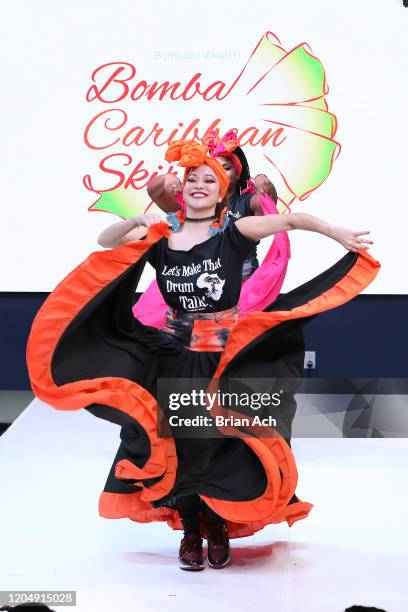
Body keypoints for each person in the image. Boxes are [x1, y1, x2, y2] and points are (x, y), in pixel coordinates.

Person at [26, 139, 379, 572]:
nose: (199, 185)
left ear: (221, 191)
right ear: (182, 187)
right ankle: (190, 531)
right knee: (181, 444)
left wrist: (336, 232)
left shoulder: (234, 232)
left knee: (220, 443)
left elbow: (291, 219)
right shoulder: (162, 234)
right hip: (172, 354)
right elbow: (106, 240)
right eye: (192, 178)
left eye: (209, 180)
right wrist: (137, 218)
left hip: (220, 355)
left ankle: (216, 526)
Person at [129, 130, 288, 328]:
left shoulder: (248, 202)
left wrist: (265, 181)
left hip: (240, 290)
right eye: (214, 168)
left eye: (227, 168)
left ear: (238, 173)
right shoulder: (192, 205)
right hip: (194, 289)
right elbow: (156, 191)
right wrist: (166, 179)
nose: (220, 172)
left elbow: (268, 206)